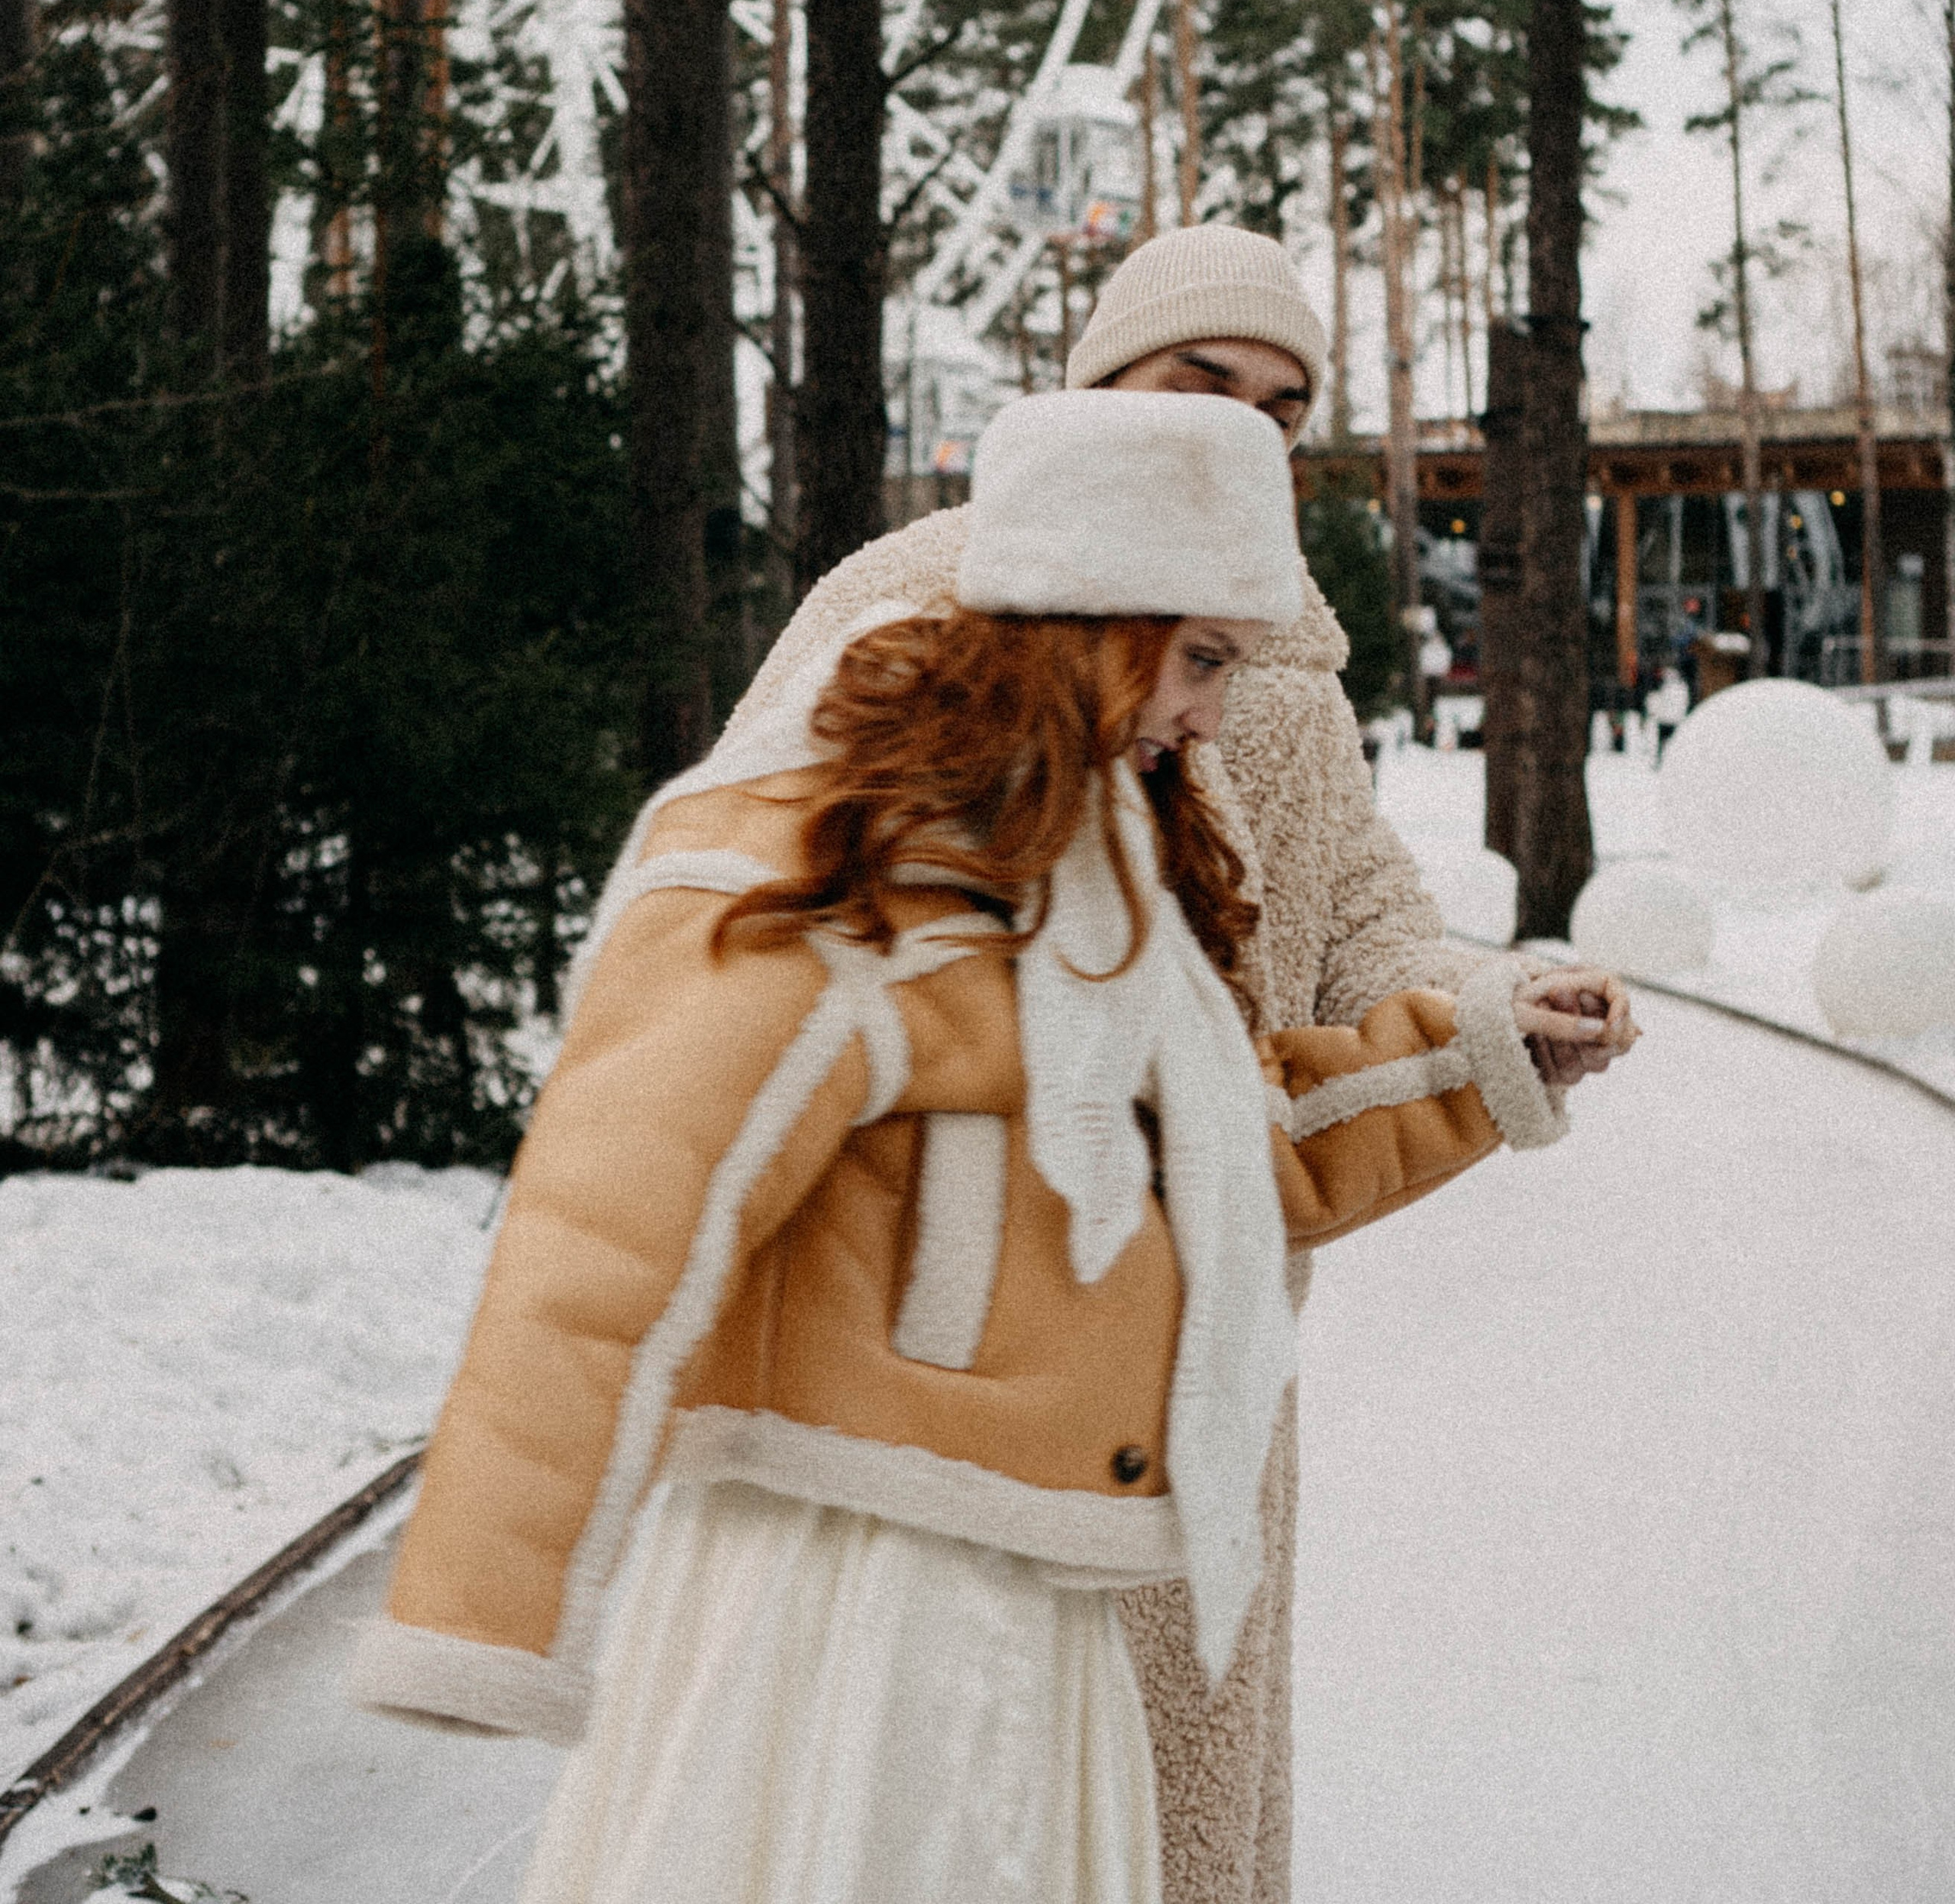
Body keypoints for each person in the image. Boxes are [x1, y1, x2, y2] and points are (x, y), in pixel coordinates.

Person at [351, 390, 1633, 1904]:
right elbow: (609, 1224)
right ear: (1092, 619)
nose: (1213, 717)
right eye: (1202, 658)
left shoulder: (1097, 876)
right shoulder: (839, 852)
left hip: (1035, 1613)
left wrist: (1480, 1055)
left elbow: (1230, 1156)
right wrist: (484, 1609)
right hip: (857, 1610)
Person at [730, 221, 1617, 1904]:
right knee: (950, 1818)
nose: (1242, 428)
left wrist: (1496, 1007)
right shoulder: (918, 609)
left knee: (1174, 1804)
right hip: (951, 1355)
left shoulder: (1284, 681)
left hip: (1211, 1346)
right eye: (1201, 380)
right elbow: (755, 917)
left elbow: (1370, 927)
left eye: (1281, 408)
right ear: (1096, 385)